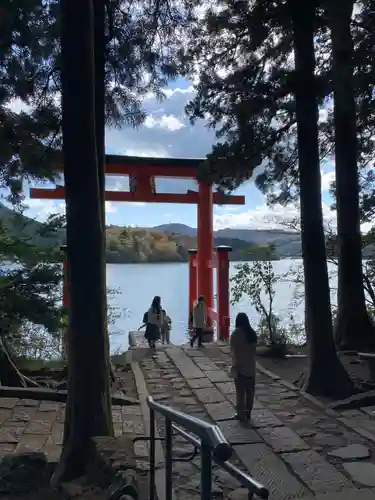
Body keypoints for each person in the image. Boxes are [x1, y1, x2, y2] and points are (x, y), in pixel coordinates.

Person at [230, 312, 257, 422]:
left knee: (240, 392)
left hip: (240, 367)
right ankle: (248, 411)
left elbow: (233, 350)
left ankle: (240, 413)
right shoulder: (252, 334)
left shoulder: (236, 334)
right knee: (250, 392)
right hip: (251, 366)